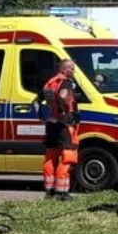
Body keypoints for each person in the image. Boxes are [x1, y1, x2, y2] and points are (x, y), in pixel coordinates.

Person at [41, 59, 81, 200]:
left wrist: (42, 118)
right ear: (64, 69)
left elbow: (37, 101)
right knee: (68, 157)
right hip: (64, 125)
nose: (73, 71)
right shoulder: (66, 82)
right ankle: (62, 192)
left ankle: (49, 190)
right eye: (72, 69)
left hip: (51, 124)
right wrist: (65, 112)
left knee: (51, 156)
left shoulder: (50, 82)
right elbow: (63, 96)